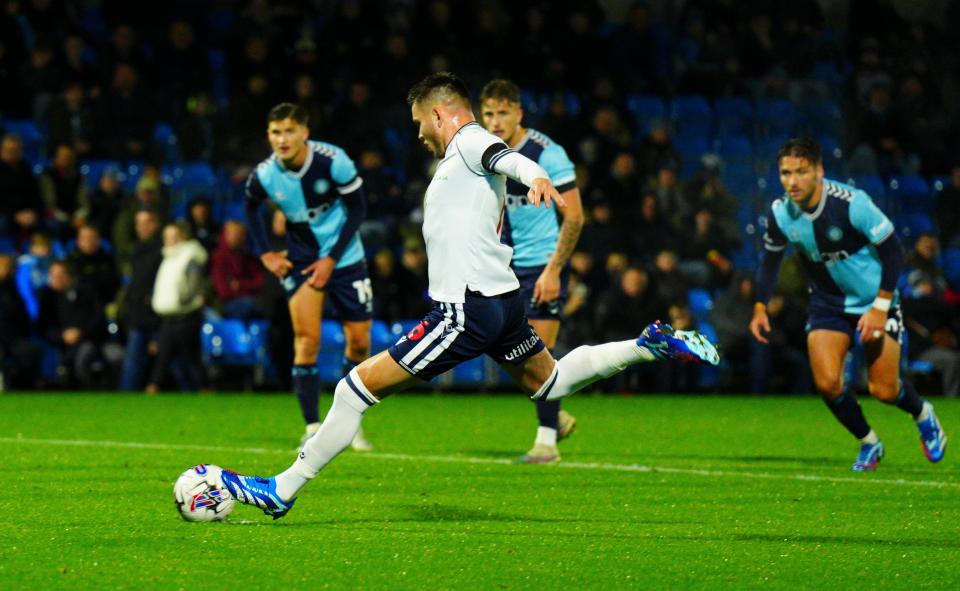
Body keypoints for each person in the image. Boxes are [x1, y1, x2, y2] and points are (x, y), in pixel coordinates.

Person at [217, 73, 719, 519]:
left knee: (353, 388)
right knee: (554, 382)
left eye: (419, 121)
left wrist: (537, 175)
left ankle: (282, 490)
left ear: (439, 113)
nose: (417, 133)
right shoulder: (465, 153)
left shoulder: (469, 140)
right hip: (500, 304)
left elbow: (505, 157)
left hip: (465, 310)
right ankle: (647, 344)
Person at [749, 138, 947, 472]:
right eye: (785, 173)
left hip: (876, 301)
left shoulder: (852, 203)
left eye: (800, 172)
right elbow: (770, 260)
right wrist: (759, 305)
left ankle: (923, 413)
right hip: (828, 305)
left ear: (819, 172)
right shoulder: (780, 213)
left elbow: (894, 252)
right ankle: (869, 442)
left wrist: (880, 307)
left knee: (884, 390)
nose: (791, 181)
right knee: (827, 383)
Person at [244, 103, 374, 451]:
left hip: (346, 258)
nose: (282, 139)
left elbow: (359, 208)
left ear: (304, 133)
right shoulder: (266, 174)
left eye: (288, 131)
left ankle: (350, 427)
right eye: (275, 132)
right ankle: (314, 426)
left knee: (359, 343)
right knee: (307, 340)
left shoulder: (334, 161)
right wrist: (265, 252)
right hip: (302, 260)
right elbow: (250, 207)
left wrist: (331, 258)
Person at [480, 79, 585, 463]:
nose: (495, 121)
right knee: (497, 344)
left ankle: (546, 443)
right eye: (488, 113)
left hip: (542, 264)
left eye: (503, 112)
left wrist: (554, 270)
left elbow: (574, 216)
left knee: (540, 352)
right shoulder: (482, 152)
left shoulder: (546, 153)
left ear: (518, 114)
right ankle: (555, 414)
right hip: (500, 265)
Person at [145, 223, 207, 393]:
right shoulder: (168, 257)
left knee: (192, 358)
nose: (170, 240)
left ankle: (205, 389)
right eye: (167, 236)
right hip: (168, 317)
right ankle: (153, 388)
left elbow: (193, 283)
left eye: (174, 236)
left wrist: (183, 300)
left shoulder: (191, 255)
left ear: (183, 236)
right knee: (163, 357)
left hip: (186, 316)